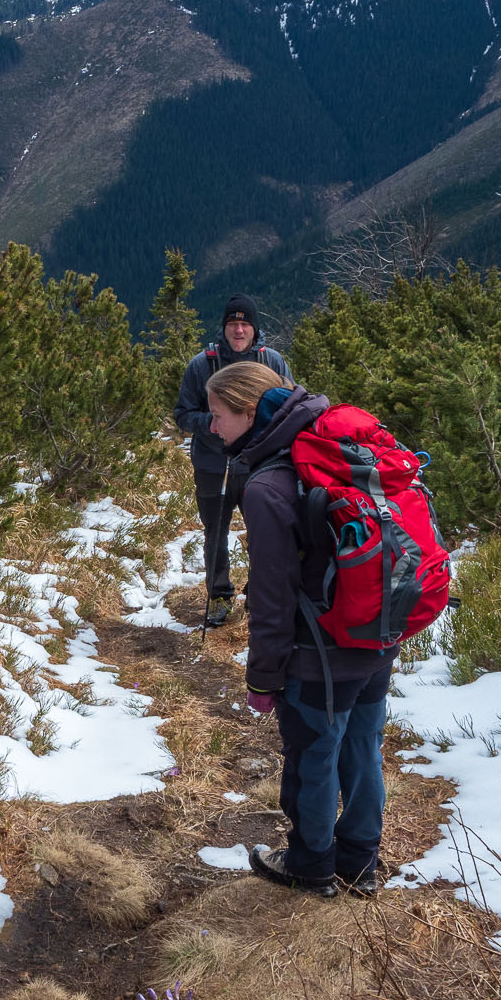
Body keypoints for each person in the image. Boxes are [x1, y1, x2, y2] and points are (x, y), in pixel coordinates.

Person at [203, 361, 399, 898]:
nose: (212, 426)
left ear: (248, 412)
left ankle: (311, 863)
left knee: (314, 755)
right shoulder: (333, 453)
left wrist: (263, 678)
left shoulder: (269, 486)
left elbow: (272, 596)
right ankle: (360, 862)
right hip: (375, 634)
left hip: (320, 650)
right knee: (362, 746)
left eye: (218, 415)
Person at [171, 294, 292, 628]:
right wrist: (209, 425)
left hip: (259, 465)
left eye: (245, 324)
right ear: (224, 328)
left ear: (254, 328)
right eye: (232, 324)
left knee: (264, 531)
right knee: (215, 531)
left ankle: (259, 595)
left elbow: (290, 406)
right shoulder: (202, 365)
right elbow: (182, 413)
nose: (238, 330)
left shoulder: (273, 363)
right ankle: (219, 595)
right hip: (213, 462)